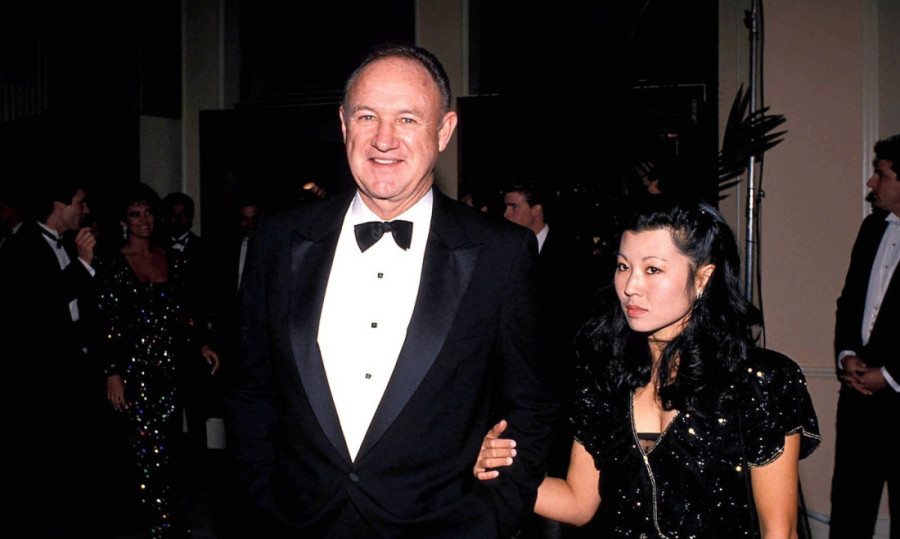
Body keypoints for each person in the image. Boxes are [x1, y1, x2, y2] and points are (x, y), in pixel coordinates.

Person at [223, 43, 557, 537]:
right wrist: (260, 499)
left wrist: (492, 515)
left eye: (407, 119)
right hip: (297, 522)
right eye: (367, 117)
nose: (384, 139)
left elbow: (532, 405)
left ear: (443, 130)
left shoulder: (500, 253)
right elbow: (250, 386)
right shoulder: (279, 237)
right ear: (343, 125)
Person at [476, 199, 821, 538]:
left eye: (652, 269)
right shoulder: (607, 377)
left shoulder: (760, 381)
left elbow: (779, 530)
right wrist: (492, 467)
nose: (630, 286)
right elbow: (578, 504)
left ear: (703, 278)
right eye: (623, 266)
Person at [98, 183, 219, 538]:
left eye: (148, 212)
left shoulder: (171, 257)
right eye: (135, 214)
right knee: (139, 452)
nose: (144, 220)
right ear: (124, 220)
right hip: (133, 372)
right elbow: (107, 322)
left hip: (170, 370)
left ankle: (165, 520)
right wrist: (112, 372)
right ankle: (148, 524)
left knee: (167, 449)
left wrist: (200, 344)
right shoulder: (113, 262)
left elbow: (184, 313)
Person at [0, 177, 101, 535]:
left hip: (72, 366)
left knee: (70, 461)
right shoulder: (20, 246)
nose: (86, 209)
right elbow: (39, 306)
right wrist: (83, 264)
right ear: (59, 206)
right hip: (41, 376)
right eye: (80, 202)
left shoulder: (68, 243)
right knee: (42, 463)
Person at [830, 134, 899, 538]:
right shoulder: (872, 228)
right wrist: (846, 355)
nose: (872, 183)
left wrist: (890, 375)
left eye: (882, 174)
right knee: (850, 512)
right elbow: (849, 301)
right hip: (858, 400)